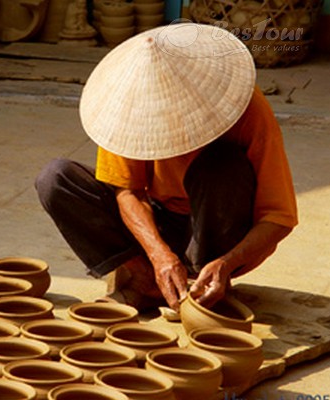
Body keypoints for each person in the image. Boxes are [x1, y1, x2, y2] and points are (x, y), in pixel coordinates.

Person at [35, 23, 298, 312]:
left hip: (220, 221)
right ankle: (143, 278)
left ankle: (203, 282)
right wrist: (159, 255)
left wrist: (227, 263)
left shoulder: (247, 108)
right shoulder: (125, 111)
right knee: (56, 178)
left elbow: (278, 217)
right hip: (159, 220)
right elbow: (129, 193)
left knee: (221, 165)